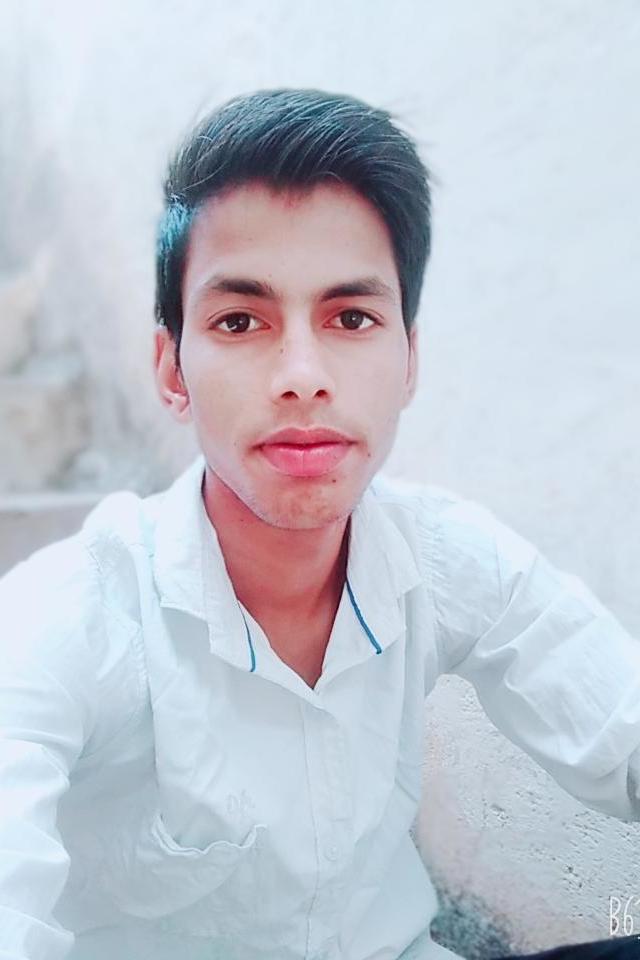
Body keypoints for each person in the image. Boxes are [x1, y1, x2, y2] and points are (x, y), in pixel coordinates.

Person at [0, 88, 639, 960]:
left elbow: (621, 728)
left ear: (408, 361)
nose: (302, 374)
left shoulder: (441, 556)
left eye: (351, 318)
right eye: (240, 320)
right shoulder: (74, 613)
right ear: (172, 369)